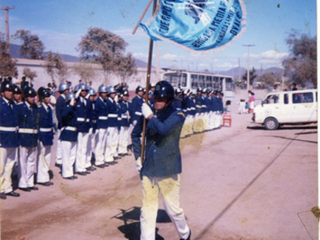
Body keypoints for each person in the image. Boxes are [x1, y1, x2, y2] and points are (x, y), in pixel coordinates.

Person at [131, 80, 191, 240]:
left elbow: (163, 129)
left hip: (168, 168)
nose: (156, 101)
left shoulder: (178, 115)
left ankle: (185, 233)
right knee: (148, 210)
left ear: (170, 100)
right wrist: (138, 157)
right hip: (149, 167)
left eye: (161, 99)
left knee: (172, 209)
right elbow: (135, 135)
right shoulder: (148, 115)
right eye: (155, 97)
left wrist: (150, 115)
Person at [16, 86, 39, 191]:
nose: (32, 98)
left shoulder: (35, 108)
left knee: (31, 161)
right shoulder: (20, 107)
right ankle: (22, 183)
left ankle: (30, 182)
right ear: (25, 97)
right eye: (30, 96)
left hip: (33, 138)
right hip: (23, 138)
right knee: (22, 162)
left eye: (33, 96)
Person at [0, 80, 20, 199]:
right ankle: (0, 188)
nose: (10, 93)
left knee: (10, 164)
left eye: (11, 90)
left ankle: (8, 188)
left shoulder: (13, 104)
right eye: (8, 91)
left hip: (12, 138)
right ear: (2, 92)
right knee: (1, 165)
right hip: (2, 138)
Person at [36, 87, 54, 186]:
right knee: (42, 157)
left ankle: (45, 176)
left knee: (47, 156)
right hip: (42, 135)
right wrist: (39, 137)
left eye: (49, 96)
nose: (49, 98)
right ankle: (41, 178)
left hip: (48, 135)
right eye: (47, 97)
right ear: (42, 98)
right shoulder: (39, 109)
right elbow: (38, 124)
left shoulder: (49, 108)